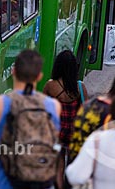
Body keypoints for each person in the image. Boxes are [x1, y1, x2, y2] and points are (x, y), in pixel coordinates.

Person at [0, 49, 61, 189]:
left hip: (5, 183)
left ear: (13, 71)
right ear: (39, 76)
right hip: (41, 181)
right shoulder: (54, 106)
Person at [42, 50, 89, 189]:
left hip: (57, 134)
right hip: (74, 134)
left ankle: (59, 186)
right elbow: (86, 111)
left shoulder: (50, 85)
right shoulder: (80, 86)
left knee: (58, 159)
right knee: (73, 162)